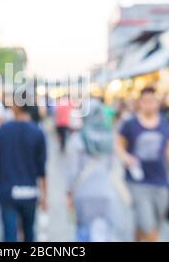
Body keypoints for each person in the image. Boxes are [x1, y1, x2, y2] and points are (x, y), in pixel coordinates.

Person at [115, 86, 169, 242]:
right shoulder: (130, 123)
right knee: (148, 226)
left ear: (157, 103)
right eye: (145, 101)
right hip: (137, 182)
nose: (149, 105)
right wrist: (125, 157)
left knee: (154, 222)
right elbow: (118, 143)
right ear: (140, 103)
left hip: (160, 181)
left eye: (152, 101)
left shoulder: (164, 123)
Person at [66, 101, 129, 242]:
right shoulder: (110, 139)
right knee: (104, 233)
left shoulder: (77, 140)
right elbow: (114, 168)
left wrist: (69, 193)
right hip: (106, 192)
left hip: (83, 193)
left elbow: (73, 171)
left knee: (83, 233)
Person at [0, 90, 48, 242]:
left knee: (9, 235)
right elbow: (41, 168)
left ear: (16, 105)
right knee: (29, 233)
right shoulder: (38, 132)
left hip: (7, 190)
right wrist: (44, 195)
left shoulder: (4, 130)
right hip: (29, 191)